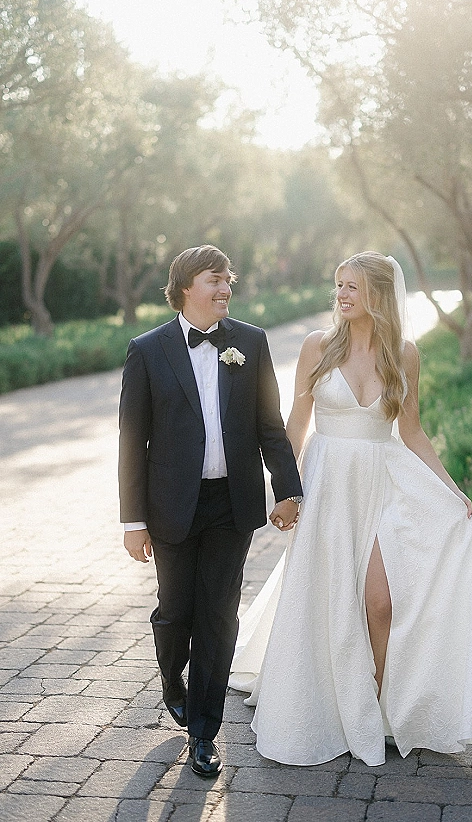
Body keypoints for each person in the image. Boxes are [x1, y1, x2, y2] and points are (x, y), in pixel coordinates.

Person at [229, 251, 472, 765]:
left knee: (380, 601)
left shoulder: (404, 353)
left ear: (378, 294)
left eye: (352, 287)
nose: (343, 295)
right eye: (339, 286)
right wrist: (286, 490)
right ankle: (329, 701)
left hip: (384, 481)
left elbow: (412, 429)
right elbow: (297, 423)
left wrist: (450, 489)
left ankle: (372, 706)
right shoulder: (318, 347)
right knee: (329, 595)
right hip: (328, 482)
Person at [119, 245, 302, 778]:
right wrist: (133, 522)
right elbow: (133, 440)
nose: (225, 289)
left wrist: (287, 489)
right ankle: (171, 676)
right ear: (184, 288)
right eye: (213, 280)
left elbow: (270, 424)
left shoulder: (250, 342)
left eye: (229, 279)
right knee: (175, 611)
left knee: (219, 616)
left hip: (231, 503)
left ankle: (204, 732)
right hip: (170, 506)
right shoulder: (147, 350)